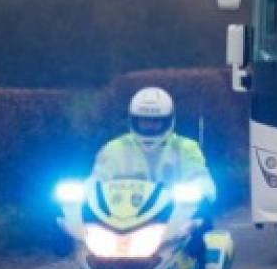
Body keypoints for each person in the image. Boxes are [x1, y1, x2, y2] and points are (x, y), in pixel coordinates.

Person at [92, 87, 217, 215]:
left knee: (203, 226)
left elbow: (200, 177)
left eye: (156, 121)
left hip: (174, 219)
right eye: (144, 121)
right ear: (134, 121)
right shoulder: (114, 148)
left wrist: (200, 190)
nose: (150, 126)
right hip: (119, 219)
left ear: (168, 121)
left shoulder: (186, 148)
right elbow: (97, 180)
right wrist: (87, 191)